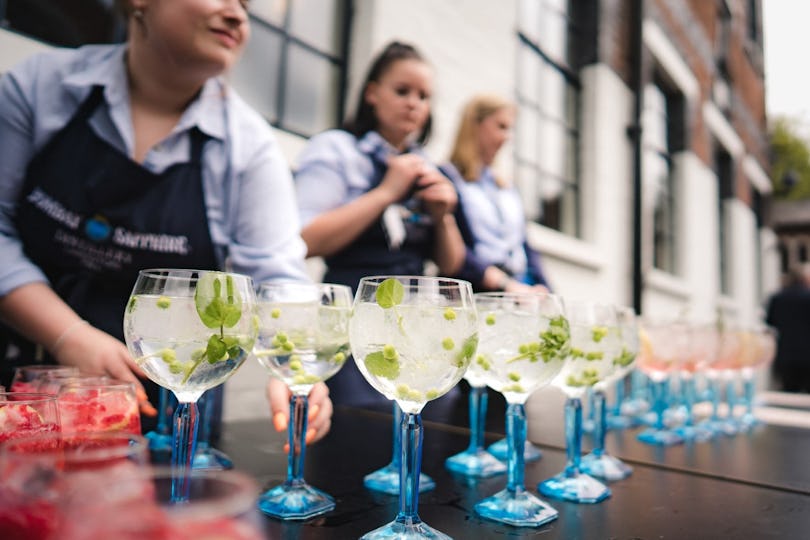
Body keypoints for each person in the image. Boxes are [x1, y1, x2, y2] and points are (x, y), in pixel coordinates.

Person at [0, 0, 331, 443]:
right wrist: (69, 336)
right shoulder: (40, 86)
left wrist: (292, 367)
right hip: (21, 388)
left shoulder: (250, 148)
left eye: (246, 5)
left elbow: (276, 276)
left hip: (169, 408)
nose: (238, 15)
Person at [294, 41, 466, 406]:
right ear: (372, 93)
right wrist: (386, 192)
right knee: (358, 424)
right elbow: (304, 241)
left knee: (435, 412)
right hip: (350, 327)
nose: (414, 103)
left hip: (419, 328)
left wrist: (444, 217)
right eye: (402, 91)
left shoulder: (429, 168)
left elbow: (451, 266)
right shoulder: (336, 151)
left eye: (424, 96)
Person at [440, 94, 550, 294]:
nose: (507, 137)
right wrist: (505, 285)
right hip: (481, 292)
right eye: (501, 127)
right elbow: (454, 251)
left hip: (520, 288)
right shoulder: (447, 178)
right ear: (475, 124)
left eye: (510, 129)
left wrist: (544, 289)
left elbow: (524, 243)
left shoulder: (506, 186)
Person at [765, 263, 810, 393]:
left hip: (785, 354)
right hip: (807, 354)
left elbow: (770, 321)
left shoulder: (777, 298)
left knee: (789, 391)